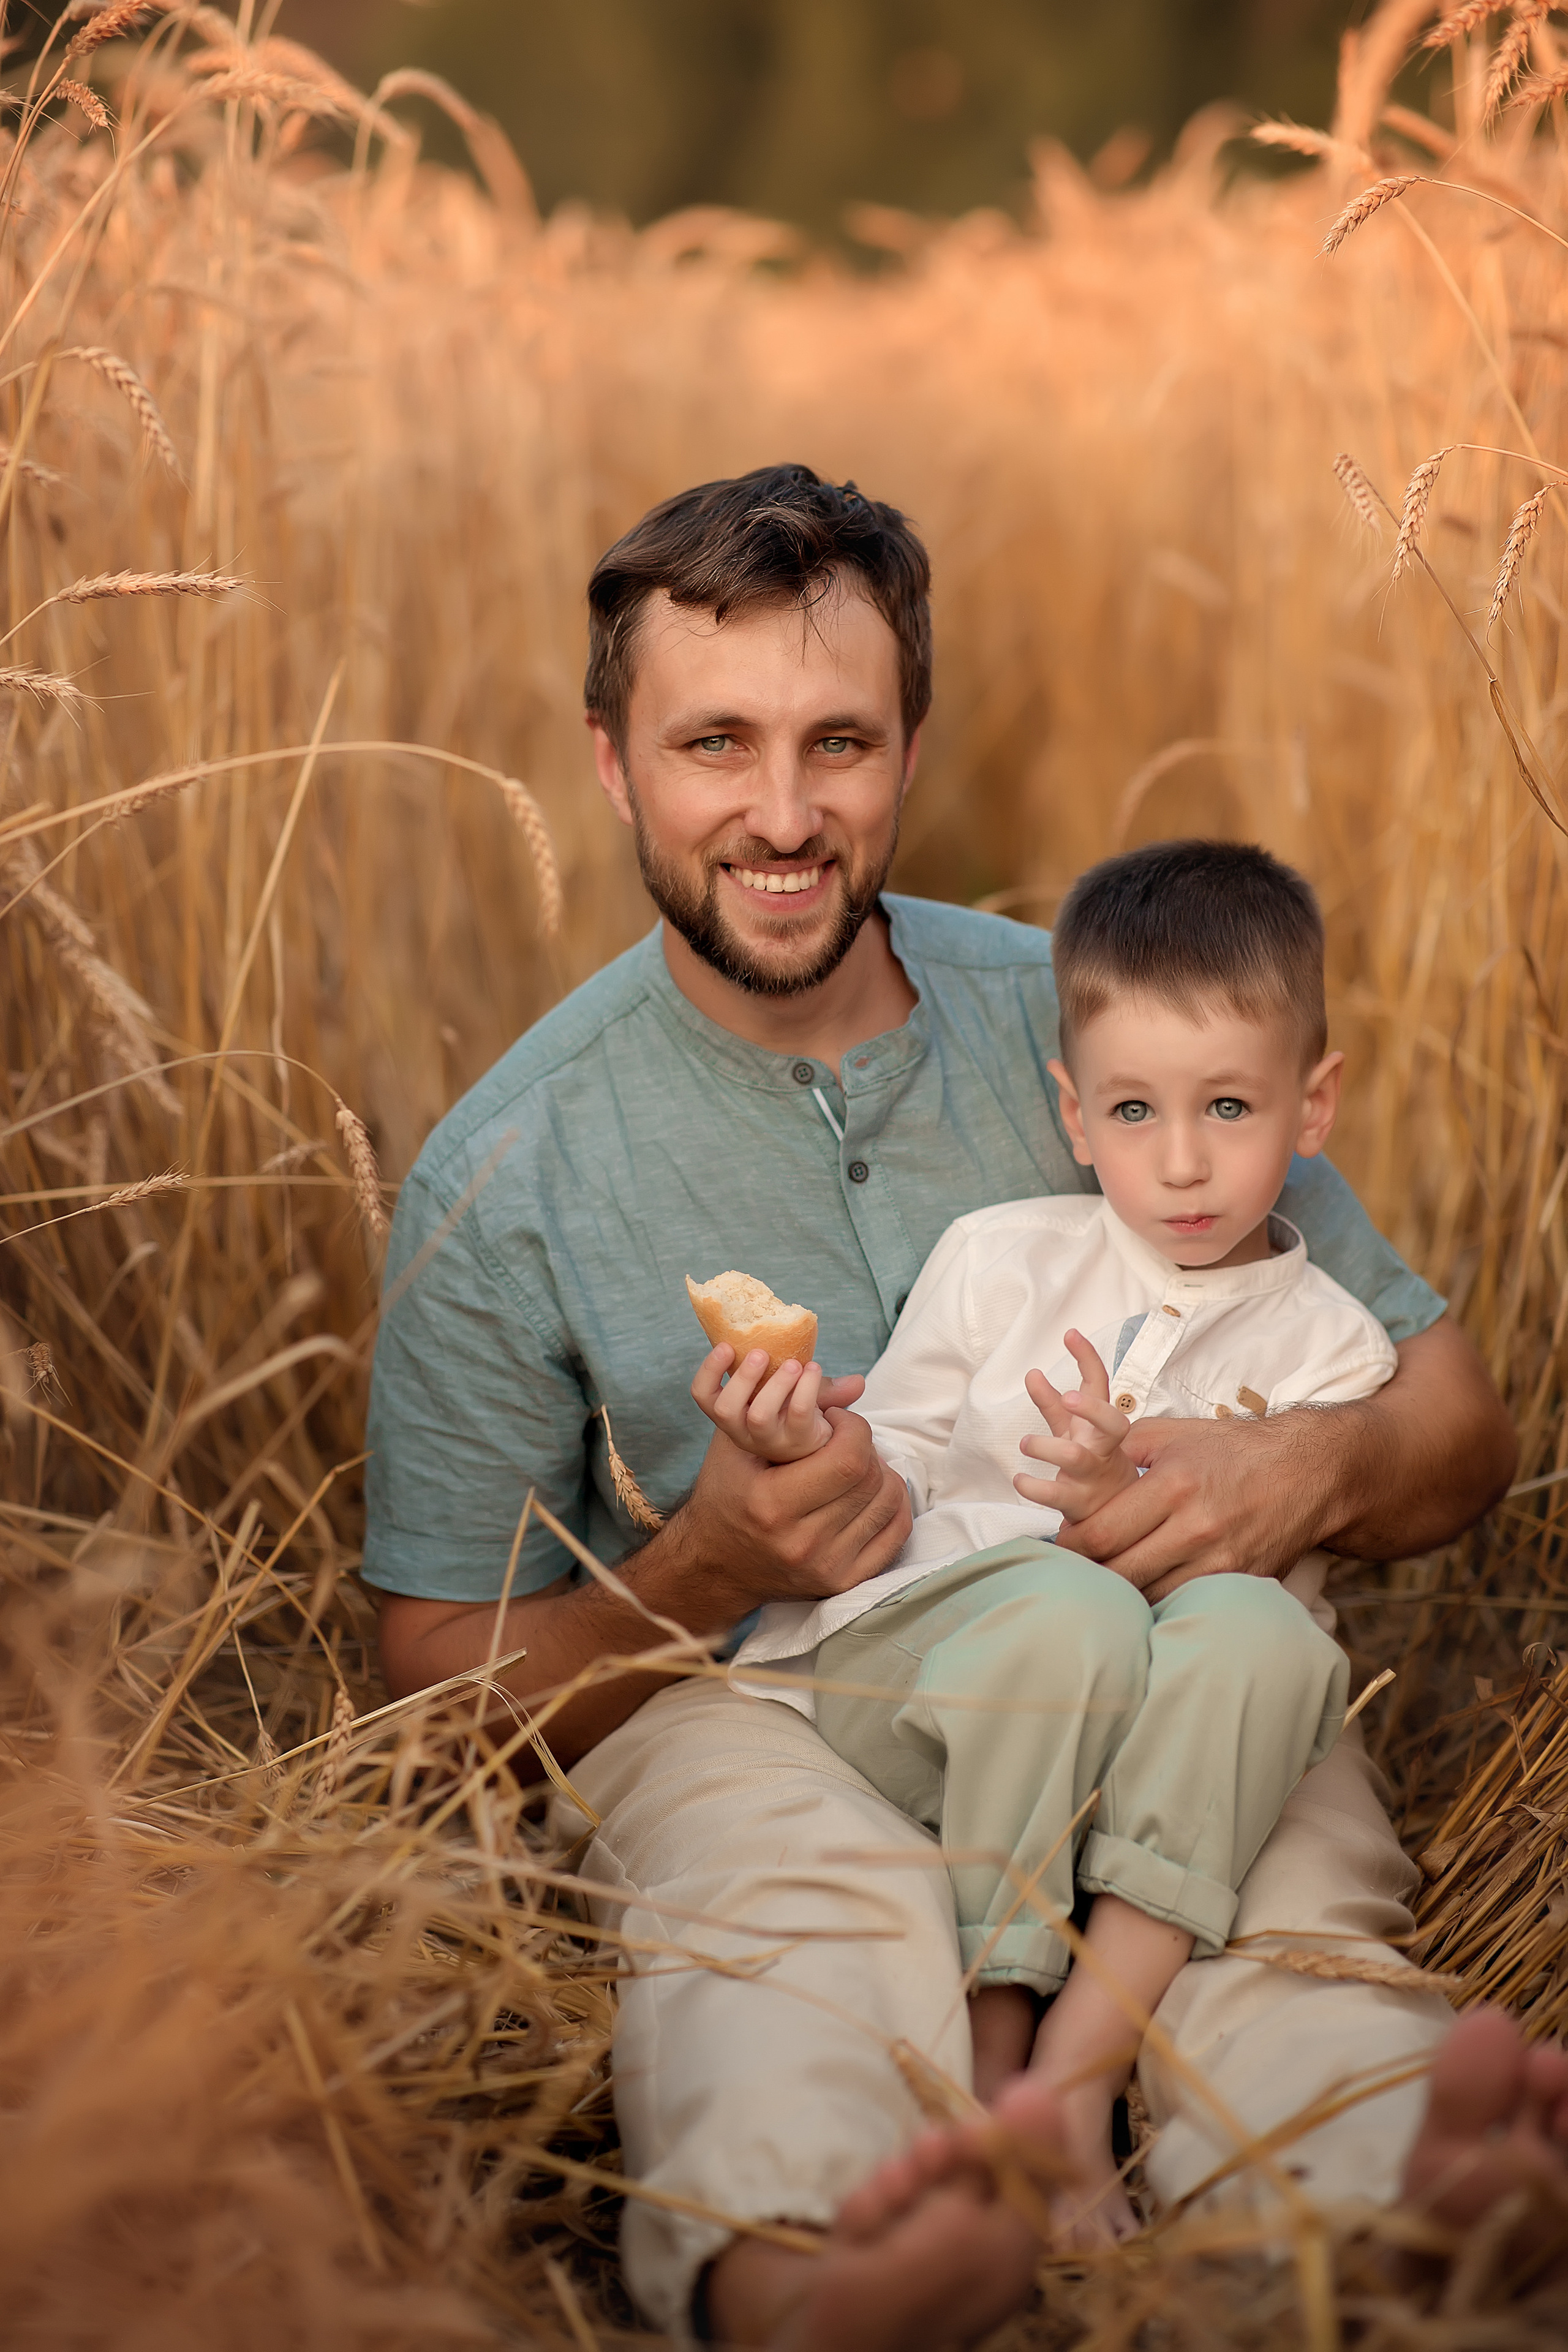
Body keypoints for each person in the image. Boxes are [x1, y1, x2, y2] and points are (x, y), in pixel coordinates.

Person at [363, 464, 1559, 2351]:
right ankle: (820, 2263)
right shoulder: (511, 1167)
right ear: (612, 764)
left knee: (1286, 1910)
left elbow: (1456, 1427)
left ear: (912, 747)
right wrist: (702, 1565)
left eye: (839, 741)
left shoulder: (1103, 1018)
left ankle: (1399, 2187)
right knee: (795, 1925)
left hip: (1179, 1649)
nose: (781, 813)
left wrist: (1299, 1471)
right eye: (714, 744)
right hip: (760, 1689)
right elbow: (428, 1684)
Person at [697, 837, 1388, 2243]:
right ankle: (990, 2048)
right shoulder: (1001, 1256)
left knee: (1264, 1636)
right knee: (1068, 1609)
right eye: (1133, 1110)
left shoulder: (1335, 1350)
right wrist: (808, 1446)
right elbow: (885, 1460)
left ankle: (1078, 2081)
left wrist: (1139, 1505)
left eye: (1229, 1108)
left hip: (1163, 1739)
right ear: (1073, 1117)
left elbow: (1255, 1615)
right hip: (947, 1686)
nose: (1180, 1161)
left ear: (1311, 1106)